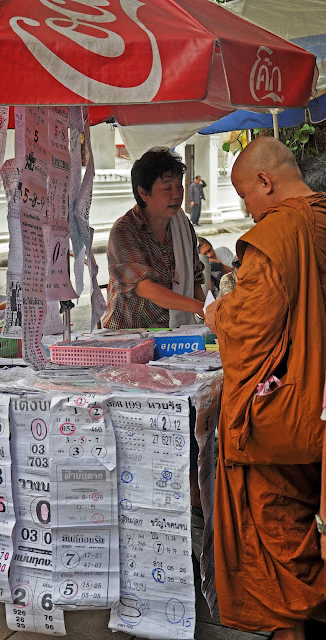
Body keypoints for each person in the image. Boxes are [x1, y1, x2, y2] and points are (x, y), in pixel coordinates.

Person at [205, 136, 326, 640]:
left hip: (287, 414)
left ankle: (290, 626)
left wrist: (217, 314)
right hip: (319, 403)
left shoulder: (279, 234)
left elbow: (251, 328)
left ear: (265, 181)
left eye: (244, 193)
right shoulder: (320, 218)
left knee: (274, 523)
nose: (245, 208)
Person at [103, 148, 205, 330]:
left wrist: (213, 310)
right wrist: (200, 308)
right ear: (143, 193)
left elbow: (195, 277)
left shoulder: (183, 225)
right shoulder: (124, 231)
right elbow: (144, 287)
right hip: (128, 333)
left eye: (179, 186)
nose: (177, 194)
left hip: (171, 332)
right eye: (167, 188)